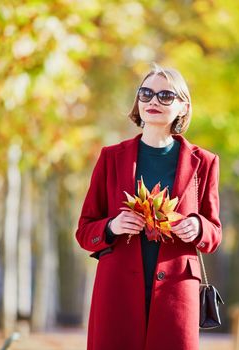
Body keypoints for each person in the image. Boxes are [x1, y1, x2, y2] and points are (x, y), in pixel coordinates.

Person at [75, 63, 222, 350]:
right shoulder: (111, 158)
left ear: (183, 107)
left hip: (177, 291)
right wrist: (111, 226)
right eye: (146, 93)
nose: (153, 101)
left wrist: (198, 227)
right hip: (116, 289)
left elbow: (214, 232)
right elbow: (84, 231)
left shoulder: (204, 162)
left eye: (166, 96)